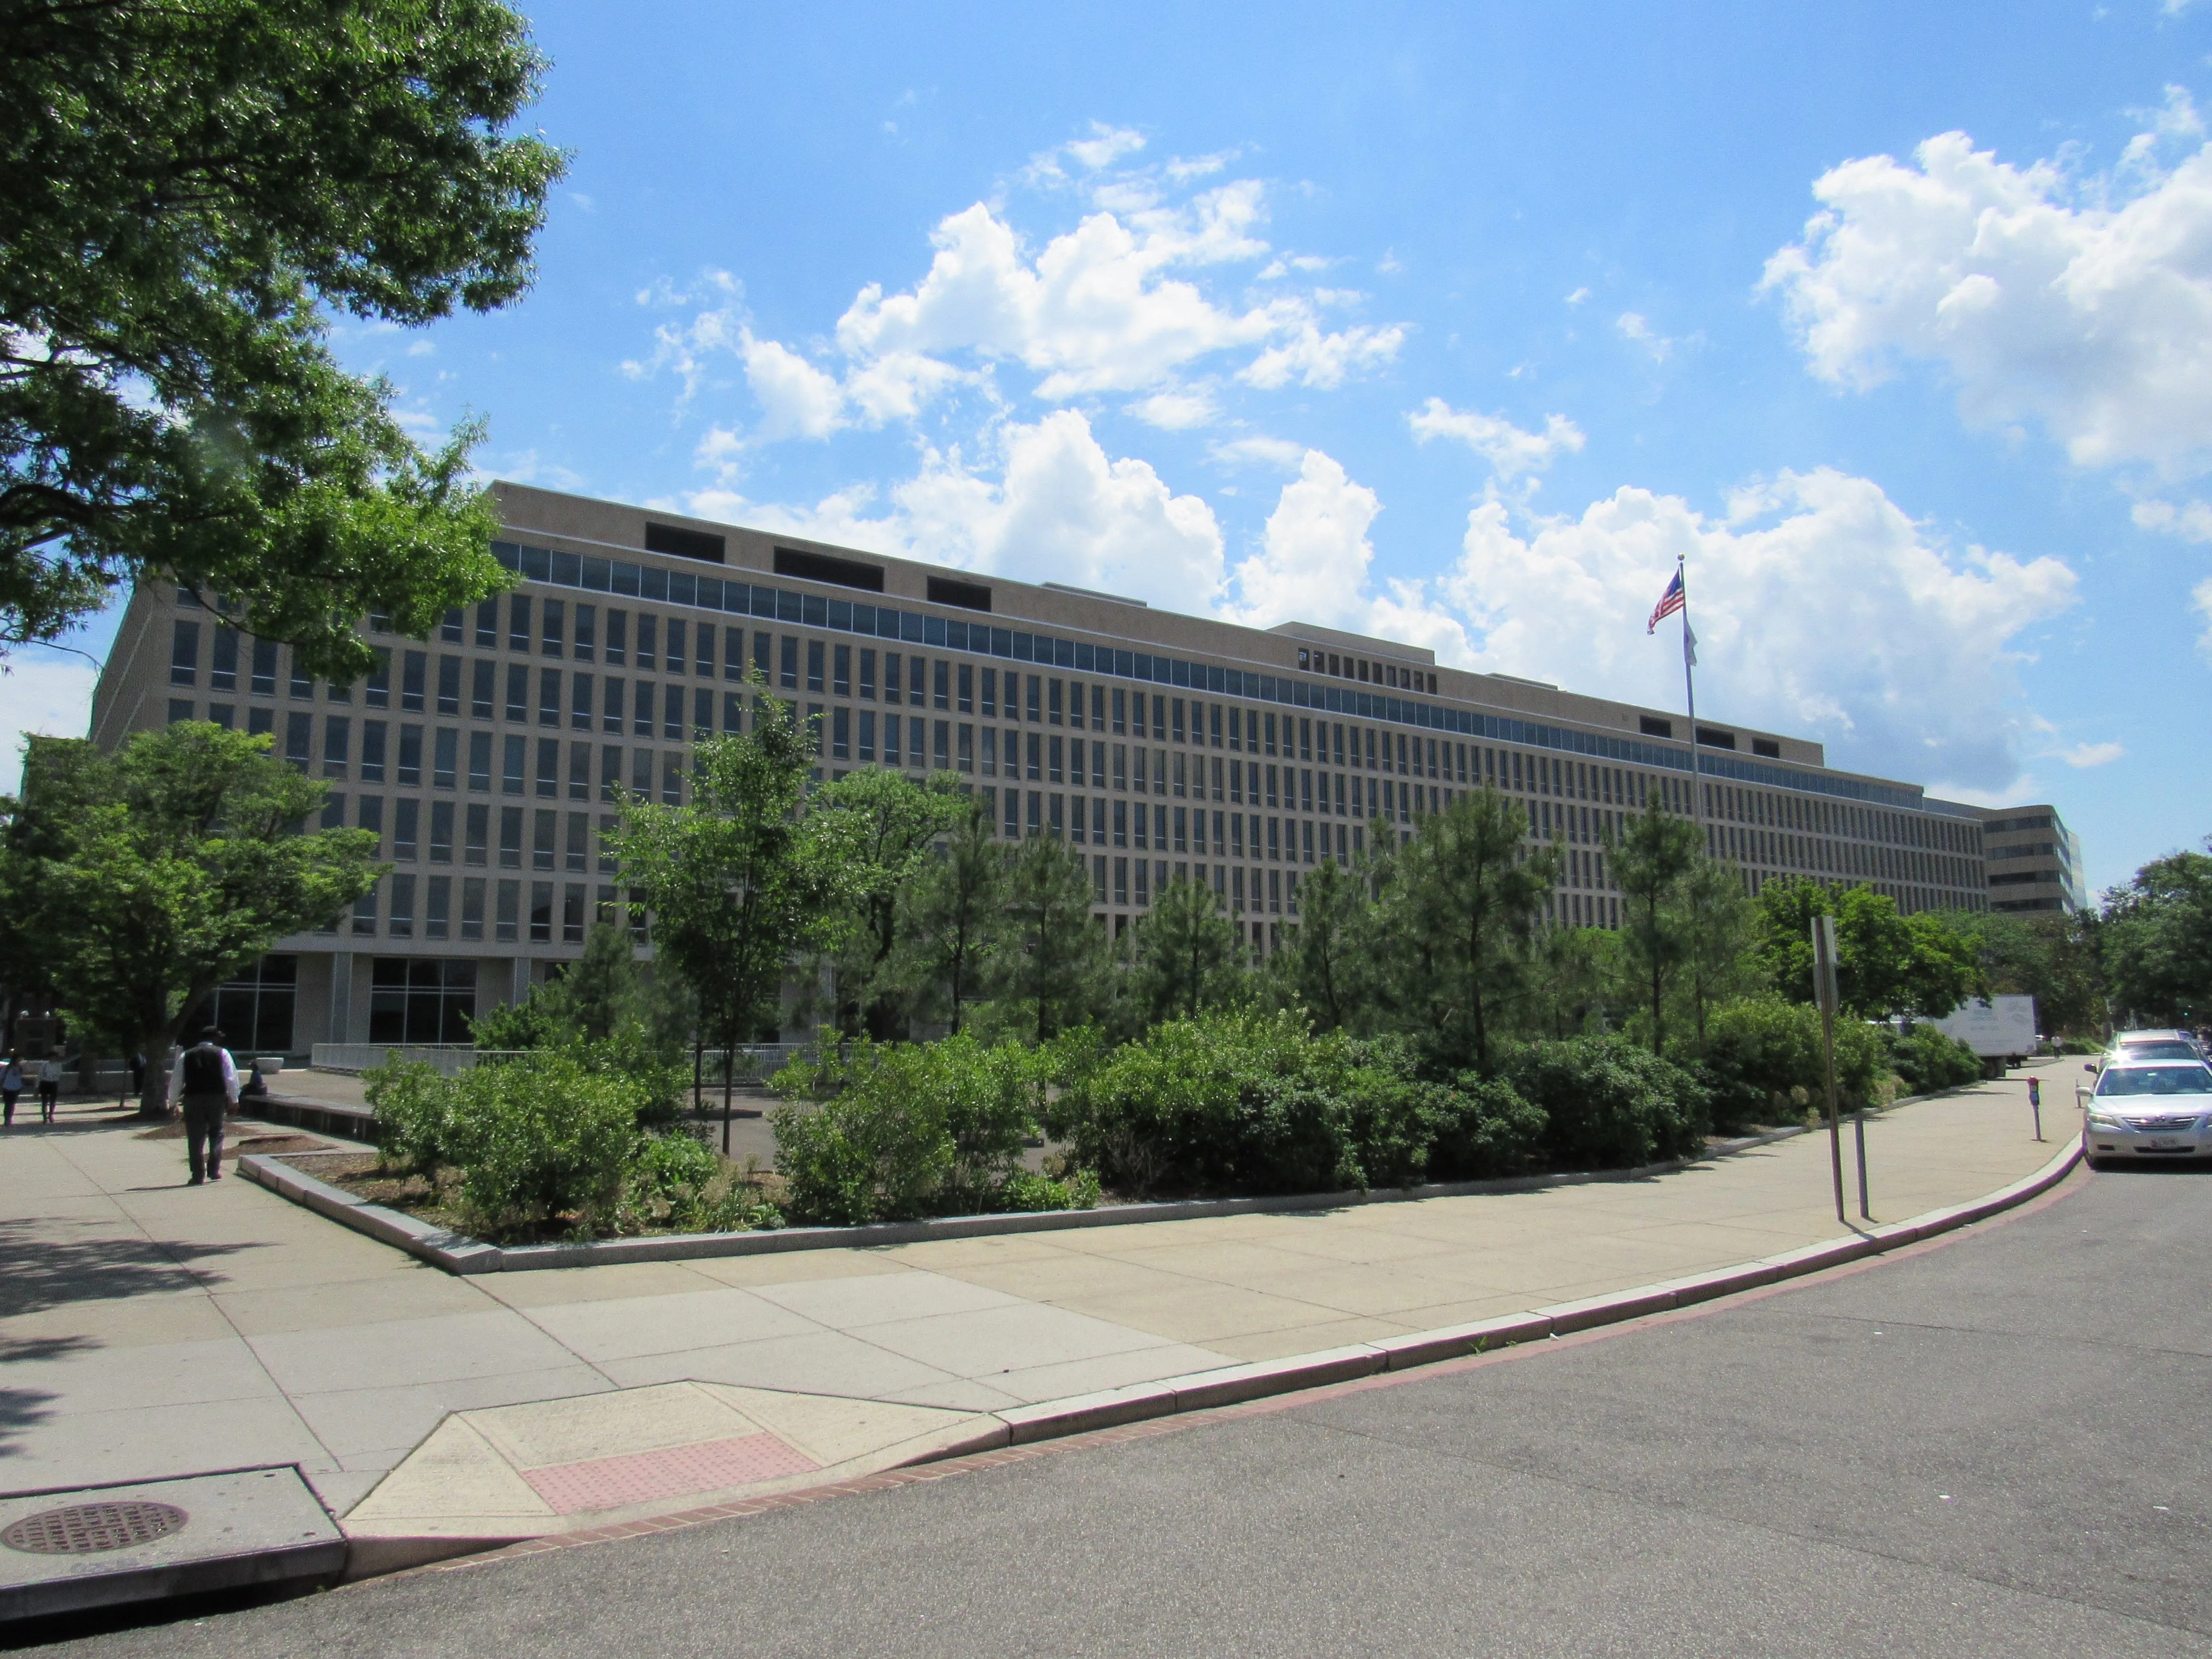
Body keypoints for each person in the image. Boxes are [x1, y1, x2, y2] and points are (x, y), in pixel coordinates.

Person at [168, 1027, 239, 1185]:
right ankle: (214, 1169)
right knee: (217, 1133)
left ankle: (198, 1175)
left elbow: (176, 1081)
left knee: (195, 1137)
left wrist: (172, 1103)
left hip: (193, 1099)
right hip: (217, 1098)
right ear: (214, 1038)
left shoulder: (186, 1055)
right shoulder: (223, 1053)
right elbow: (231, 1078)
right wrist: (235, 1100)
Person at [35, 1053, 61, 1123]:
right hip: (45, 1083)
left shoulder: (58, 1065)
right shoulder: (45, 1065)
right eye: (52, 1057)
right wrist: (37, 1086)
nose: (54, 1059)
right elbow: (40, 1075)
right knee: (44, 1101)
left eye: (55, 1058)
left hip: (54, 1083)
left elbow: (59, 1074)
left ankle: (51, 1115)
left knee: (53, 1101)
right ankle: (44, 1116)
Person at [0, 1054, 21, 1126]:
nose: (20, 1061)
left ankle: (10, 1118)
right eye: (19, 1059)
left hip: (16, 1088)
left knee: (12, 1104)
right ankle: (6, 1118)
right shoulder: (7, 1068)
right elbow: (1, 1077)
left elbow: (20, 1078)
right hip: (7, 1088)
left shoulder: (20, 1068)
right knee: (8, 1104)